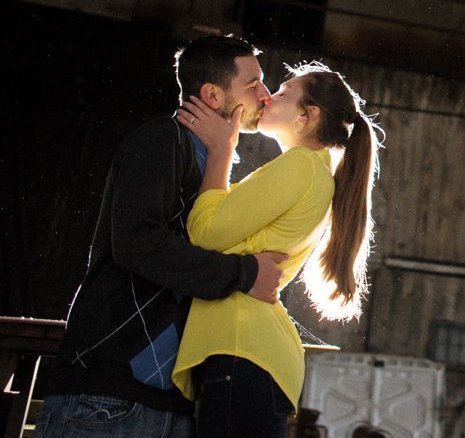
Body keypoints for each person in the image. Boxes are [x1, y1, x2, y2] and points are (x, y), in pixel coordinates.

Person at [36, 35, 287, 438]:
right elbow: (138, 243)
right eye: (253, 84)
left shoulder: (213, 167)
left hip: (170, 401)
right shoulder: (161, 141)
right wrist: (243, 273)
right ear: (211, 94)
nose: (266, 95)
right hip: (109, 392)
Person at [170, 61, 380, 438]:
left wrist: (222, 150)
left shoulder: (301, 166)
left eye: (283, 93)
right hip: (249, 355)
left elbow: (204, 234)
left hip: (243, 351)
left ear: (307, 115)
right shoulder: (311, 170)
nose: (268, 97)